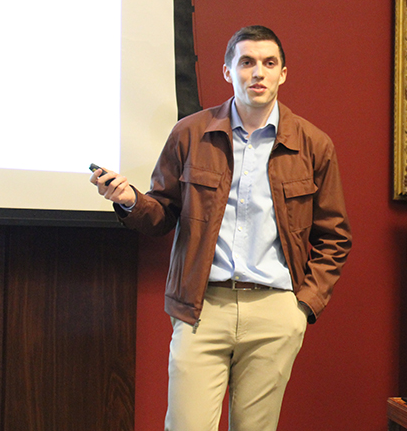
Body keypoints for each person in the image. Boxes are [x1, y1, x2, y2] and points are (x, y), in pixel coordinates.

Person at [90, 25, 352, 430]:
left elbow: (335, 236)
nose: (258, 73)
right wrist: (129, 200)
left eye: (269, 63)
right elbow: (163, 213)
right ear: (228, 71)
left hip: (274, 312)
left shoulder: (314, 145)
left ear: (283, 73)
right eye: (246, 62)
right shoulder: (191, 133)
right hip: (201, 307)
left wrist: (301, 308)